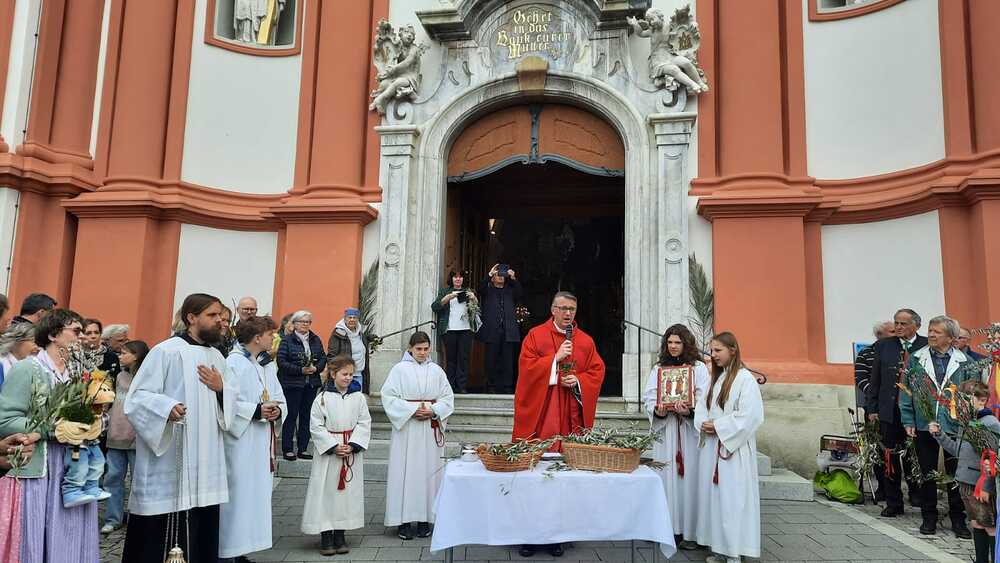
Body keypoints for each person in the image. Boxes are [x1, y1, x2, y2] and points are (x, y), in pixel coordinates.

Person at [122, 293, 238, 563]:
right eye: (212, 315)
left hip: (206, 461)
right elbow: (137, 398)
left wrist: (222, 389)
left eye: (220, 315)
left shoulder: (217, 356)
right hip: (171, 457)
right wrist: (166, 407)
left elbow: (233, 399)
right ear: (191, 318)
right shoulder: (166, 351)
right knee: (160, 530)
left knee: (203, 526)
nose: (220, 321)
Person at [0, 308, 99, 561]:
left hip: (74, 468)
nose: (82, 337)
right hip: (39, 468)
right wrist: (51, 430)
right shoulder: (27, 369)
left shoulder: (79, 373)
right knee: (35, 536)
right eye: (76, 331)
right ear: (54, 334)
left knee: (70, 537)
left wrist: (94, 423)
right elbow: (6, 419)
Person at [220, 316, 286, 563]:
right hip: (241, 442)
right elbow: (225, 403)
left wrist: (278, 410)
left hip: (260, 441)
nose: (274, 338)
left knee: (253, 496)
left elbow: (278, 395)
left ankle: (240, 550)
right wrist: (256, 411)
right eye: (270, 334)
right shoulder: (233, 364)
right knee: (237, 496)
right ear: (257, 338)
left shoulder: (265, 364)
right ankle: (226, 551)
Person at [693, 332, 764, 563]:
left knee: (732, 501)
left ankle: (734, 553)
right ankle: (720, 549)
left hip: (733, 451)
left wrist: (719, 426)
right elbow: (703, 407)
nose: (713, 355)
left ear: (732, 350)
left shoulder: (745, 379)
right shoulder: (716, 379)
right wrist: (703, 423)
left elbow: (751, 416)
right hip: (712, 448)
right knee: (716, 501)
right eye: (711, 351)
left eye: (718, 350)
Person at [900, 315, 972, 537]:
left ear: (950, 337)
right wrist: (908, 419)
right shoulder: (916, 359)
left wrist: (969, 422)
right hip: (925, 423)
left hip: (955, 426)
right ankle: (929, 517)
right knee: (927, 472)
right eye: (930, 330)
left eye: (936, 332)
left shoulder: (965, 362)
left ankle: (958, 519)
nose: (931, 334)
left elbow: (973, 395)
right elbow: (906, 390)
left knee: (956, 472)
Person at [642, 324, 711, 550]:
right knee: (665, 477)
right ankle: (665, 527)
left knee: (689, 480)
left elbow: (705, 398)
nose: (673, 346)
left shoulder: (698, 368)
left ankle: (690, 532)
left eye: (677, 342)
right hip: (667, 431)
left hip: (688, 435)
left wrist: (690, 411)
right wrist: (658, 411)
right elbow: (649, 397)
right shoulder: (658, 369)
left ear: (686, 343)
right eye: (670, 342)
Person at [381, 332, 454, 540]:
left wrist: (434, 410)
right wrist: (412, 410)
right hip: (407, 429)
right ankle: (403, 522)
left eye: (425, 348)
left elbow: (447, 398)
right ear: (410, 348)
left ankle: (425, 520)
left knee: (428, 473)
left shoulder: (437, 371)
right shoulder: (399, 370)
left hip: (429, 429)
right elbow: (388, 397)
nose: (422, 353)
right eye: (418, 349)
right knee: (405, 473)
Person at [513, 292, 605, 447]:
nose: (568, 313)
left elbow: (597, 371)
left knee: (572, 451)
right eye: (563, 308)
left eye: (572, 309)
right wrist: (555, 358)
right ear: (553, 310)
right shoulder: (535, 335)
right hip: (546, 405)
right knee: (544, 450)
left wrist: (578, 380)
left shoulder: (586, 341)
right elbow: (526, 367)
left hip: (572, 408)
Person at [302, 356, 372, 556]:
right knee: (326, 492)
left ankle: (340, 534)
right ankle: (326, 535)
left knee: (344, 495)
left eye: (351, 374)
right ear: (333, 374)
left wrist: (353, 445)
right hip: (329, 454)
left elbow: (364, 422)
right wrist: (333, 446)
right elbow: (316, 426)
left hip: (349, 448)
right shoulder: (322, 398)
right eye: (344, 374)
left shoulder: (358, 398)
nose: (348, 378)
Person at [865, 308, 929, 517]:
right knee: (889, 457)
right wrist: (872, 407)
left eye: (903, 323)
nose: (898, 327)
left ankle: (917, 494)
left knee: (915, 455)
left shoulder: (926, 345)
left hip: (917, 412)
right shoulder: (884, 345)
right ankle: (893, 502)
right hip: (889, 410)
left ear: (916, 325)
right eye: (897, 323)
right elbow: (875, 378)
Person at [929, 380, 998, 563]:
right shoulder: (966, 422)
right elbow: (958, 451)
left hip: (980, 485)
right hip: (965, 482)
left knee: (989, 525)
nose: (959, 403)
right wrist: (939, 435)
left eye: (965, 399)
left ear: (982, 400)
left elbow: (993, 460)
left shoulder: (990, 423)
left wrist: (988, 486)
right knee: (976, 523)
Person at [101, 340, 148, 534]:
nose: (120, 356)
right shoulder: (120, 376)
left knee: (139, 480)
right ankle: (113, 518)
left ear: (136, 355)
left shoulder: (147, 377)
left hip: (137, 436)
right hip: (116, 434)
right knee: (112, 478)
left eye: (124, 353)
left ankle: (139, 518)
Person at [277, 310, 327, 461]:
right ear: (294, 324)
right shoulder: (287, 340)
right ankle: (288, 449)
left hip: (311, 383)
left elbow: (323, 357)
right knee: (291, 415)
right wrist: (300, 370)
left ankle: (303, 448)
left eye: (308, 322)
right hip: (292, 384)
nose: (305, 324)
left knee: (306, 416)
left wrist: (316, 368)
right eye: (302, 321)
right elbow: (282, 362)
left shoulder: (315, 339)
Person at [432, 270, 479, 393]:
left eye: (460, 277)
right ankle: (450, 386)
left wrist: (474, 298)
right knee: (451, 359)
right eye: (455, 277)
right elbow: (435, 307)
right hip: (449, 329)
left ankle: (461, 386)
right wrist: (446, 298)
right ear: (451, 279)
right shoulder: (445, 291)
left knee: (463, 358)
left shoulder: (469, 291)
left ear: (463, 279)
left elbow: (477, 310)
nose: (458, 279)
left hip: (466, 329)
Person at [478, 263, 522, 393]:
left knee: (508, 360)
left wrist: (513, 278)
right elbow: (480, 289)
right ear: (493, 278)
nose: (501, 276)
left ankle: (508, 387)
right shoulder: (488, 290)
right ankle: (490, 386)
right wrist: (489, 274)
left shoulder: (510, 290)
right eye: (498, 274)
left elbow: (520, 293)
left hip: (508, 330)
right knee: (491, 360)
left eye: (503, 274)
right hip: (492, 330)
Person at [327, 308, 369, 393]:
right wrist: (334, 372)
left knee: (356, 398)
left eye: (354, 317)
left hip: (358, 374)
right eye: (349, 317)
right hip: (343, 375)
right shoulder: (338, 334)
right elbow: (331, 355)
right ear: (345, 319)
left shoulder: (360, 334)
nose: (352, 320)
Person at [854, 321, 895, 397]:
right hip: (876, 400)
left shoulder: (902, 352)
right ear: (879, 334)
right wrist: (874, 394)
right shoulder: (865, 353)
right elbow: (860, 379)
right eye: (892, 332)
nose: (897, 335)